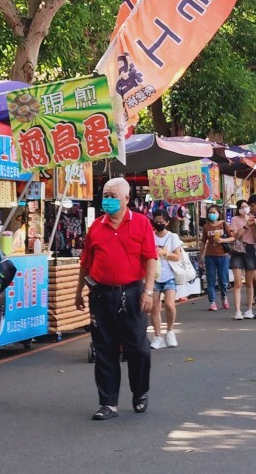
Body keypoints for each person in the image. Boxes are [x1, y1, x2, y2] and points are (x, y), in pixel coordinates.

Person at [75, 178, 157, 421]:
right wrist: (78, 291)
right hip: (101, 294)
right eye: (105, 195)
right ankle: (108, 403)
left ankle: (140, 391)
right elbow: (85, 263)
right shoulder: (96, 227)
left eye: (113, 196)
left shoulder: (141, 223)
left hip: (133, 294)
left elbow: (150, 259)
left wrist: (148, 292)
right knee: (104, 349)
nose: (107, 200)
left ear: (126, 200)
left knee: (139, 349)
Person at [149, 210, 182, 345]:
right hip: (154, 276)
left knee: (169, 305)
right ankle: (157, 336)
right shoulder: (150, 236)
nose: (158, 225)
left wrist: (164, 253)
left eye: (161, 222)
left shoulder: (172, 237)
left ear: (167, 223)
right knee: (154, 308)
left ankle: (170, 331)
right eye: (156, 222)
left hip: (169, 276)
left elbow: (177, 257)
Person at [228, 200, 256, 319]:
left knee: (249, 282)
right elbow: (235, 236)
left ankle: (249, 309)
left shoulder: (253, 219)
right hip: (238, 249)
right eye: (242, 207)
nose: (245, 208)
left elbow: (255, 239)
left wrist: (254, 227)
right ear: (238, 208)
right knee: (237, 282)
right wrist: (246, 226)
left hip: (250, 249)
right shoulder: (235, 219)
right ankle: (237, 311)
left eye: (246, 206)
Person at [200, 204, 233, 311]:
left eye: (214, 212)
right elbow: (203, 242)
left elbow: (233, 237)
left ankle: (224, 297)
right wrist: (201, 256)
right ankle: (212, 301)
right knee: (210, 280)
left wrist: (223, 240)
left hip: (223, 255)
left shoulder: (224, 225)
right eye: (210, 212)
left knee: (223, 279)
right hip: (210, 256)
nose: (212, 214)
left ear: (218, 214)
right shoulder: (206, 227)